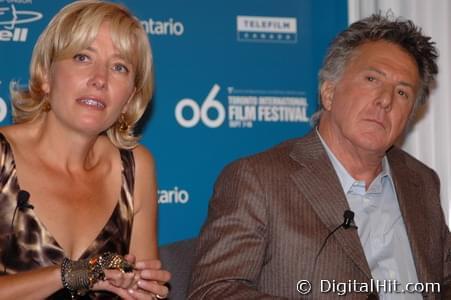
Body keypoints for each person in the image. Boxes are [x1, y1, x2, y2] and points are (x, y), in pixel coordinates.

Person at [188, 14, 451, 299]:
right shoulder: (257, 179)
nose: (385, 100)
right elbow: (213, 291)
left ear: (409, 116)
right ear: (328, 92)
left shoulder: (421, 181)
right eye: (372, 79)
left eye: (402, 92)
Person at [0, 1, 170, 299]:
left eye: (119, 67)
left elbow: (147, 292)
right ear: (44, 76)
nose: (99, 79)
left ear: (130, 97)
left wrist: (141, 288)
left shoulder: (135, 168)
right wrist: (72, 274)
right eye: (82, 57)